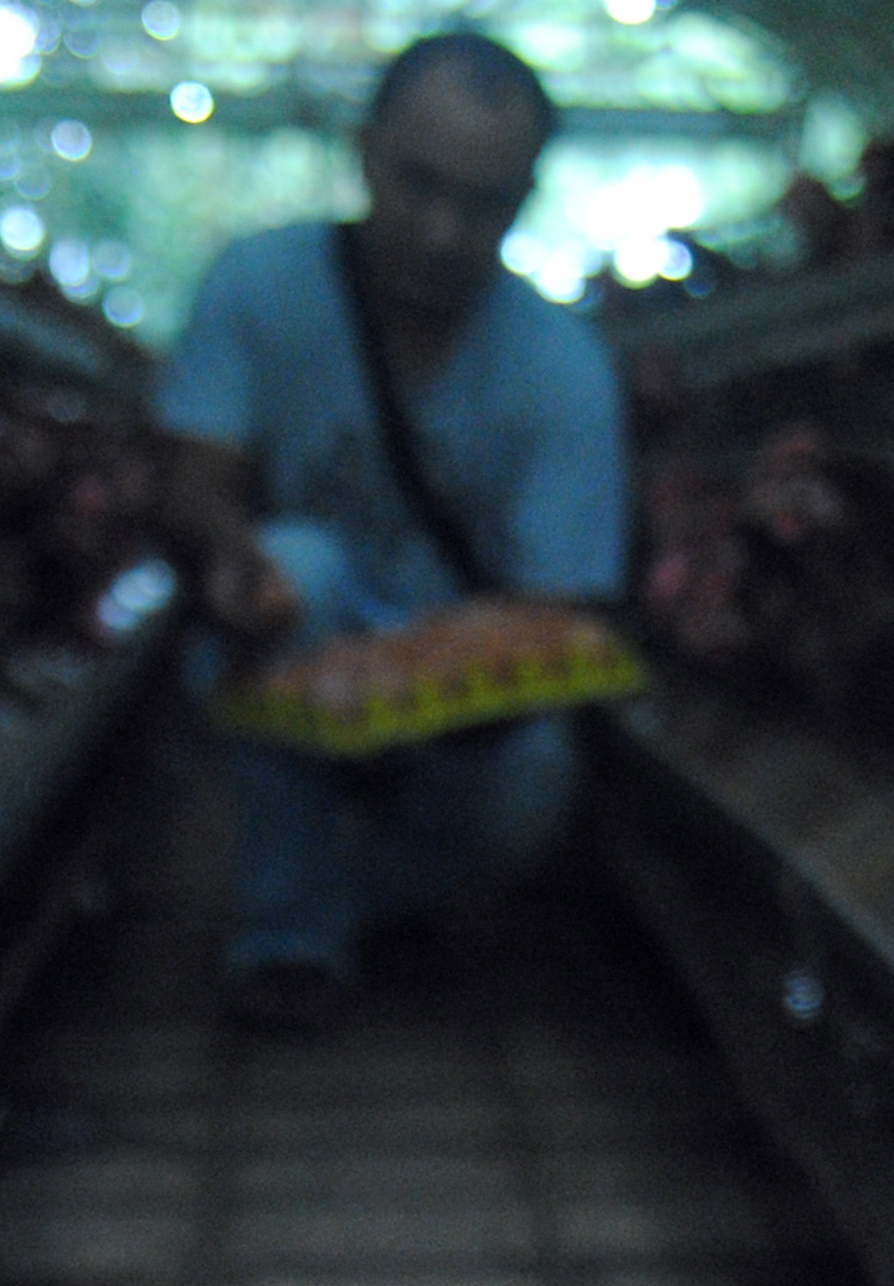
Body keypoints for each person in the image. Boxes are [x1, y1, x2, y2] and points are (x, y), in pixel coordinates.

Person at [155, 29, 625, 1030]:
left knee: (534, 774)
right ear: (365, 152)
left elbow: (559, 607)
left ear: (525, 200)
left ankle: (353, 895)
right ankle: (289, 939)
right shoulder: (258, 285)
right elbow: (196, 482)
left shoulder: (564, 369)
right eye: (419, 184)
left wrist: (447, 681)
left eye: (484, 203)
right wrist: (233, 562)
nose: (443, 231)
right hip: (299, 634)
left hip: (456, 685)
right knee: (301, 569)